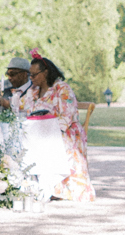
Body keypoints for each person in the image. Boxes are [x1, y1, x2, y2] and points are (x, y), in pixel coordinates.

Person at [24, 55, 95, 201]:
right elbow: (21, 107)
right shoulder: (33, 91)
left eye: (34, 74)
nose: (31, 78)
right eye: (29, 75)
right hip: (39, 131)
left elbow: (67, 117)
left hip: (64, 131)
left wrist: (48, 131)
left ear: (45, 73)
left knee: (48, 142)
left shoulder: (62, 88)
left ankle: (55, 187)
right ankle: (32, 186)